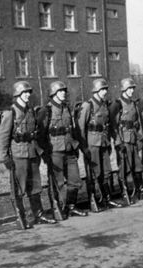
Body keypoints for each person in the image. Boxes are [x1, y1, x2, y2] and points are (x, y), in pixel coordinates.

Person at [0, 81, 56, 228]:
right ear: (18, 95)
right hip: (18, 155)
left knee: (35, 186)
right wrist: (4, 158)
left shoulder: (31, 111)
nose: (28, 95)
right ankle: (22, 216)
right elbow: (2, 137)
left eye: (29, 92)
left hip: (32, 153)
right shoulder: (11, 113)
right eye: (25, 93)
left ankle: (39, 214)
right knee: (19, 188)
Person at [37, 80, 88, 218]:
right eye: (60, 91)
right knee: (57, 182)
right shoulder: (45, 111)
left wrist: (76, 145)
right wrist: (44, 154)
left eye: (64, 91)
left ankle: (71, 206)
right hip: (55, 152)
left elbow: (72, 129)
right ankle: (58, 207)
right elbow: (40, 135)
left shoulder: (66, 108)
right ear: (53, 93)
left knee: (75, 180)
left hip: (69, 149)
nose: (63, 93)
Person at [78, 78, 123, 210]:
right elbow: (81, 128)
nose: (104, 92)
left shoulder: (105, 105)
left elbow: (108, 125)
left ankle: (107, 199)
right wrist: (84, 147)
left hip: (104, 143)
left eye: (105, 89)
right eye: (102, 89)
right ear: (96, 91)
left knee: (107, 171)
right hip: (92, 144)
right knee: (94, 173)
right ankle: (94, 200)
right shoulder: (88, 106)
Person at [109, 78, 143, 203]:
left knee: (137, 166)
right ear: (124, 89)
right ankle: (125, 193)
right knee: (124, 168)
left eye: (133, 88)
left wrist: (140, 138)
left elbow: (138, 122)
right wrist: (118, 142)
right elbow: (113, 126)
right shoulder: (117, 104)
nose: (131, 91)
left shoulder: (133, 103)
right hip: (123, 141)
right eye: (129, 89)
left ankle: (139, 191)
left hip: (133, 139)